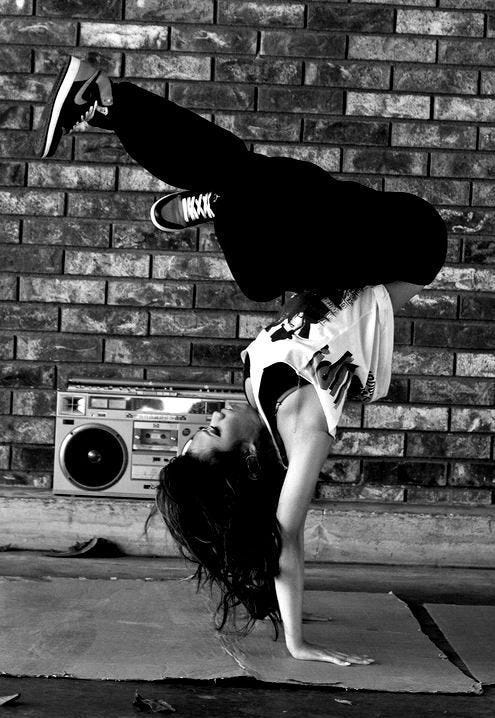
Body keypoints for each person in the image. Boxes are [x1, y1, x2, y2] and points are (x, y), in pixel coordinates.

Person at [37, 55, 448, 667]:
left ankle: (107, 101)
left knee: (239, 173)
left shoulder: (262, 389)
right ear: (239, 463)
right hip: (409, 241)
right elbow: (285, 540)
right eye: (210, 431)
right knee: (251, 248)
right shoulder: (305, 426)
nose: (209, 416)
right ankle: (208, 201)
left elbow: (241, 499)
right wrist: (297, 643)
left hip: (343, 231)